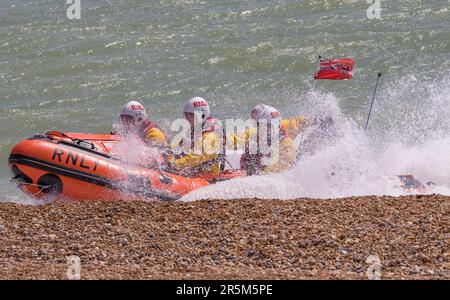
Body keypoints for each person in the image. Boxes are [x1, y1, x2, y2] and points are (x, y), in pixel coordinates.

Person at [167, 97, 224, 177]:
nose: (187, 118)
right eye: (186, 115)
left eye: (190, 115)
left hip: (207, 177)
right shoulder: (192, 131)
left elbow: (195, 157)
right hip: (193, 173)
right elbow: (176, 148)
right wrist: (166, 157)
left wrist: (174, 164)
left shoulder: (211, 137)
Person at [237, 104, 298, 175]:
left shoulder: (287, 146)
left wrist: (257, 174)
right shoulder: (258, 135)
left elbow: (280, 169)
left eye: (258, 124)